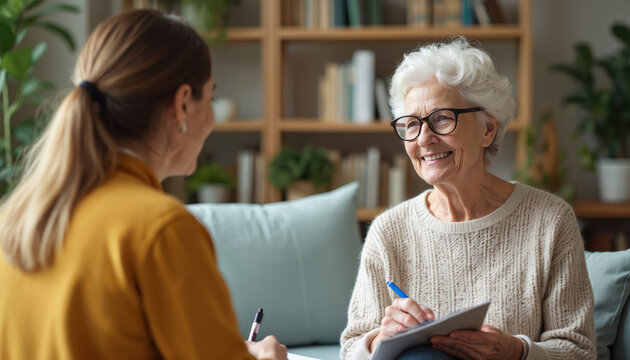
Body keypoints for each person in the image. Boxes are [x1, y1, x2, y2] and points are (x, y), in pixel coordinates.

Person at [0, 9, 286, 360]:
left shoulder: (17, 218)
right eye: (209, 98)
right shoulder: (162, 229)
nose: (212, 118)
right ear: (182, 104)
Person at [340, 38, 596, 360]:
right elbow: (351, 350)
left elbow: (580, 351)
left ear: (488, 129)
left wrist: (516, 351)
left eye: (442, 118)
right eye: (411, 124)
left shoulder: (550, 220)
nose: (424, 139)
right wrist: (380, 339)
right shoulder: (388, 231)